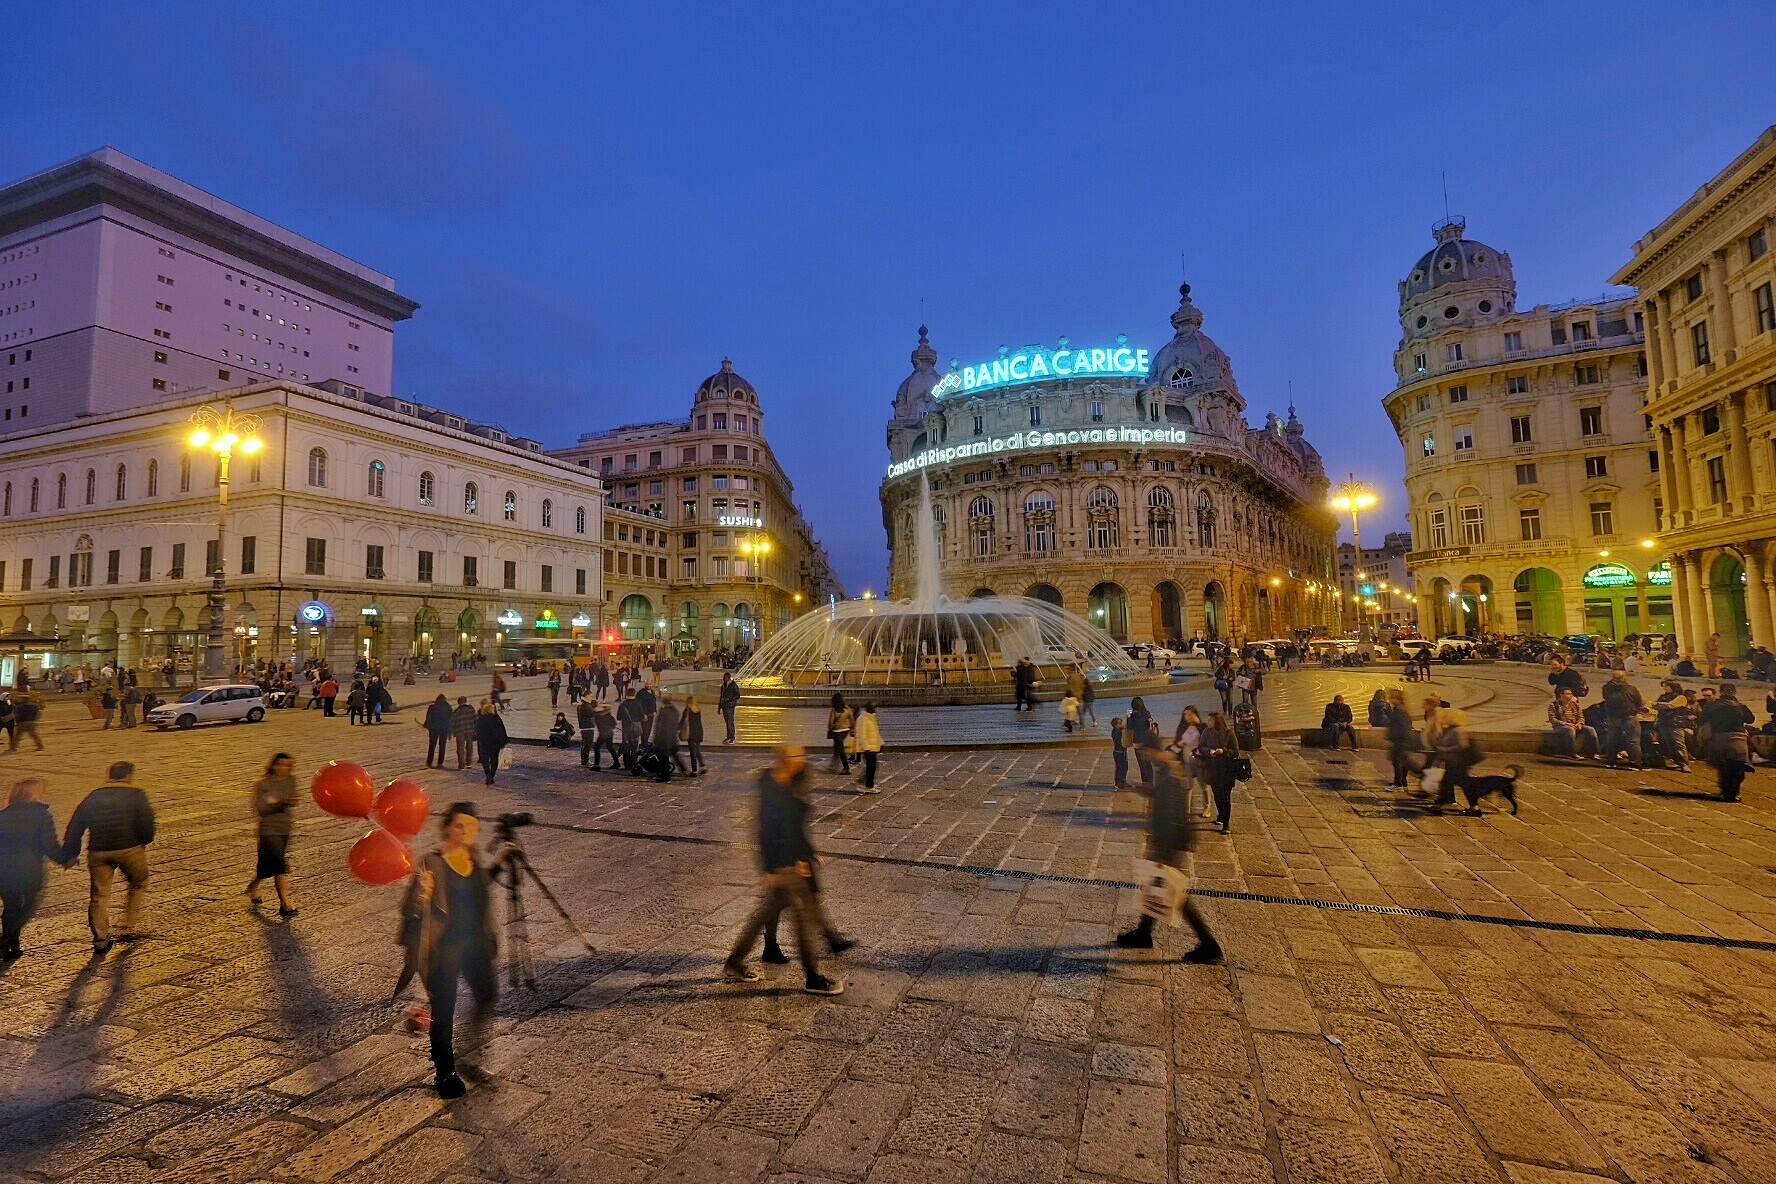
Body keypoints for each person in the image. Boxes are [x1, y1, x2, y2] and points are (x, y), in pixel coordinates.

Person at [721, 746, 844, 995]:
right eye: (799, 756)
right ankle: (813, 978)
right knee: (802, 922)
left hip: (789, 865)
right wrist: (771, 868)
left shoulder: (785, 784)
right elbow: (767, 832)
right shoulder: (774, 790)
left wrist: (805, 855)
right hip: (785, 868)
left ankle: (735, 961)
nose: (803, 759)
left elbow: (791, 829)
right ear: (787, 761)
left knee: (764, 916)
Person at [401, 803, 502, 1099]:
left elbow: (479, 890)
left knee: (487, 995)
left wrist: (500, 862)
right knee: (444, 1009)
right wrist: (422, 893)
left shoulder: (473, 858)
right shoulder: (431, 863)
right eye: (460, 825)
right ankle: (445, 1071)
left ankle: (468, 1054)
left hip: (476, 945)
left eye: (472, 826)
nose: (467, 831)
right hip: (444, 948)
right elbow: (409, 910)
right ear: (446, 828)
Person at [1114, 744, 1221, 963]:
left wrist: (1164, 851)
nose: (1147, 756)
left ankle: (1209, 944)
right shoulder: (1168, 772)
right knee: (1156, 885)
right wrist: (1150, 792)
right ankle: (1144, 932)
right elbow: (1167, 801)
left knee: (1176, 894)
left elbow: (1173, 814)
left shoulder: (1171, 776)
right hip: (1168, 840)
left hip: (1169, 842)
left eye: (1149, 751)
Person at [59, 761, 156, 954]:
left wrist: (70, 854)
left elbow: (75, 827)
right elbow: (147, 822)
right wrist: (144, 841)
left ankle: (101, 939)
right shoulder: (136, 795)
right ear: (129, 776)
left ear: (109, 775)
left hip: (99, 852)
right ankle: (127, 923)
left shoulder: (93, 796)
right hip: (129, 849)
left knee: (99, 896)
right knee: (138, 882)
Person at [0, 779, 59, 960]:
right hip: (29, 869)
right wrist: (64, 859)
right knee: (28, 906)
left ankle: (12, 945)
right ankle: (5, 941)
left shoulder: (3, 815)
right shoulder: (42, 814)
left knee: (11, 906)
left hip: (4, 869)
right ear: (33, 793)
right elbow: (50, 844)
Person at [246, 753, 299, 917]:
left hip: (284, 828)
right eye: (281, 764)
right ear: (274, 765)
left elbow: (291, 799)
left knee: (269, 865)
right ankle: (285, 903)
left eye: (288, 766)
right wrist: (282, 802)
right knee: (279, 865)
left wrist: (277, 801)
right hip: (268, 831)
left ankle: (253, 886)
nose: (285, 768)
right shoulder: (263, 784)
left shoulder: (291, 781)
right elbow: (262, 808)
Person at [1700, 684, 1755, 801]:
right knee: (1737, 767)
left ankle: (1725, 792)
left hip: (1718, 738)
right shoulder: (1741, 707)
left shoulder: (1712, 706)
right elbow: (1751, 719)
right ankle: (1733, 793)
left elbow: (1702, 719)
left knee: (1724, 768)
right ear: (1734, 692)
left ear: (1720, 692)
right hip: (1738, 739)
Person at [1197, 712, 1238, 834]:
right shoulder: (1206, 732)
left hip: (1226, 769)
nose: (1208, 722)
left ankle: (1226, 824)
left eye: (1211, 720)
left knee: (1226, 797)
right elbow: (1201, 747)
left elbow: (1235, 751)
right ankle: (1221, 815)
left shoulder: (1229, 733)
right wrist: (1209, 752)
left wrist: (1223, 751)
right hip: (1212, 769)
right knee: (1217, 795)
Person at [1600, 670, 1646, 769]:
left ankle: (1611, 762)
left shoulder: (1606, 688)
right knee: (1633, 740)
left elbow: (1605, 698)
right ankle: (1635, 763)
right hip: (1628, 717)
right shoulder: (1631, 689)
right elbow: (1639, 702)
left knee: (1612, 739)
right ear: (1624, 678)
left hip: (1612, 717)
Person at [1653, 681, 1695, 772]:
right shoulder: (1663, 696)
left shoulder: (1681, 697)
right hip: (1664, 722)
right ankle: (1674, 760)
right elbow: (1656, 706)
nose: (1664, 688)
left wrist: (1658, 704)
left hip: (1676, 723)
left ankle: (1684, 763)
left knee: (1679, 743)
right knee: (1669, 742)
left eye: (1666, 686)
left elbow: (1671, 705)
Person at [1172, 705, 1205, 816]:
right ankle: (1186, 811)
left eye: (1190, 714)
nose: (1187, 717)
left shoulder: (1201, 727)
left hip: (1199, 760)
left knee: (1204, 785)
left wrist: (1199, 724)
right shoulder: (1182, 727)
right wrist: (1179, 743)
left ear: (1195, 714)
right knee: (1187, 786)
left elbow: (1206, 739)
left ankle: (1207, 807)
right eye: (1185, 714)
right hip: (1186, 759)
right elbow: (1176, 741)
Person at [1547, 688, 1596, 759]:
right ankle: (1571, 753)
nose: (1571, 696)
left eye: (1571, 694)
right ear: (1561, 695)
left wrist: (1579, 723)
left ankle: (1593, 752)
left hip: (1575, 725)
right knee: (1570, 730)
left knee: (1590, 729)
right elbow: (1552, 719)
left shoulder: (1575, 704)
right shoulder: (1554, 705)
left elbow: (1581, 716)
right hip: (1560, 726)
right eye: (1568, 694)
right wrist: (1566, 724)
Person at [1384, 688, 1418, 789]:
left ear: (1398, 699)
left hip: (1401, 740)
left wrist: (1399, 738)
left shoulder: (1400, 710)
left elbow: (1402, 726)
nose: (1391, 700)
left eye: (1393, 698)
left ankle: (1398, 782)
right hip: (1402, 740)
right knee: (1402, 761)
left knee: (1398, 761)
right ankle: (1402, 781)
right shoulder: (1399, 709)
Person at [474, 702, 509, 786]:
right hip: (495, 743)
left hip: (484, 743)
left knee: (485, 760)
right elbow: (501, 730)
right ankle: (491, 776)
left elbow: (477, 731)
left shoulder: (481, 719)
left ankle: (488, 775)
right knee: (494, 759)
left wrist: (479, 739)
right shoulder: (496, 719)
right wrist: (503, 740)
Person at [652, 695, 684, 781]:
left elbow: (659, 726)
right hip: (672, 737)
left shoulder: (663, 711)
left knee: (663, 758)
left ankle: (665, 776)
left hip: (663, 738)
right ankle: (682, 769)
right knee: (673, 755)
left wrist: (655, 737)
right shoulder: (675, 711)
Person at [852, 701, 883, 792]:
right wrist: (866, 747)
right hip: (868, 748)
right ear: (868, 708)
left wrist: (880, 742)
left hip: (873, 746)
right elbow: (862, 734)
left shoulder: (871, 717)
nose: (875, 709)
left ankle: (865, 783)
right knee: (871, 766)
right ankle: (868, 786)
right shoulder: (863, 719)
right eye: (873, 707)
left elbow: (875, 733)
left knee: (872, 766)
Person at [1128, 697, 1157, 786]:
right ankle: (1151, 781)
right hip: (1147, 740)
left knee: (1142, 764)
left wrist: (1128, 718)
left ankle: (1145, 782)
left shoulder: (1134, 716)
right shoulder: (1147, 713)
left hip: (1138, 742)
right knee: (1148, 762)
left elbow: (1130, 727)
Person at [826, 693, 854, 775]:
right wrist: (852, 729)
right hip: (845, 731)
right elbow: (852, 720)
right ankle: (834, 763)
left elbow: (830, 723)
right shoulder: (847, 709)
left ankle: (846, 768)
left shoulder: (834, 710)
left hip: (837, 732)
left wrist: (830, 728)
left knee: (841, 750)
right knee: (837, 747)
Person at [423, 694, 454, 768]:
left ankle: (429, 762)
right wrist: (450, 730)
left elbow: (428, 717)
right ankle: (440, 763)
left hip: (433, 728)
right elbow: (451, 719)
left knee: (432, 745)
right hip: (444, 728)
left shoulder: (432, 707)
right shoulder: (448, 707)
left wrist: (426, 725)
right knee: (442, 746)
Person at [681, 695, 707, 776]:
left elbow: (682, 721)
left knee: (693, 752)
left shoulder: (687, 710)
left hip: (691, 732)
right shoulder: (698, 709)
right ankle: (703, 766)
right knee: (697, 750)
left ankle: (694, 770)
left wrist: (677, 729)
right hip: (699, 731)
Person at [588, 702, 619, 770]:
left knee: (597, 748)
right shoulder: (610, 716)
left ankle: (596, 765)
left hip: (603, 734)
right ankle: (617, 763)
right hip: (610, 733)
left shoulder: (598, 715)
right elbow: (614, 725)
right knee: (610, 747)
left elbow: (593, 719)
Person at [451, 696, 478, 770]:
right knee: (469, 746)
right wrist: (476, 730)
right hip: (470, 730)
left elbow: (452, 722)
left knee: (460, 748)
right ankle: (468, 763)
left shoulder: (456, 711)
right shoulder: (471, 709)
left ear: (458, 702)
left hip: (459, 731)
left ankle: (461, 765)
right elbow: (476, 720)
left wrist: (452, 732)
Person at [1110, 715, 1131, 790]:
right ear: (1116, 725)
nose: (1122, 724)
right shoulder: (1117, 732)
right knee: (1121, 768)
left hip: (1120, 752)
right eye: (1120, 723)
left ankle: (1122, 781)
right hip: (1119, 752)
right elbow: (1122, 738)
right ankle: (1120, 782)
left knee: (1124, 767)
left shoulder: (1117, 731)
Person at [719, 673, 741, 743]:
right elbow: (721, 697)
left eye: (725, 677)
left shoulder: (733, 685)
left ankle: (732, 737)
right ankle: (728, 736)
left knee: (730, 722)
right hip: (724, 706)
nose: (723, 678)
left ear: (728, 678)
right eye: (723, 677)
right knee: (727, 722)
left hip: (730, 706)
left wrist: (730, 699)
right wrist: (719, 707)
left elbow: (737, 695)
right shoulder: (723, 686)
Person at [576, 695, 598, 767]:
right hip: (588, 727)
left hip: (583, 727)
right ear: (587, 696)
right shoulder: (587, 706)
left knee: (584, 744)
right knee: (587, 744)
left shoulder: (580, 705)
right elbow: (591, 715)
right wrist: (596, 711)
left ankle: (583, 760)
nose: (591, 697)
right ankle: (585, 760)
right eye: (591, 696)